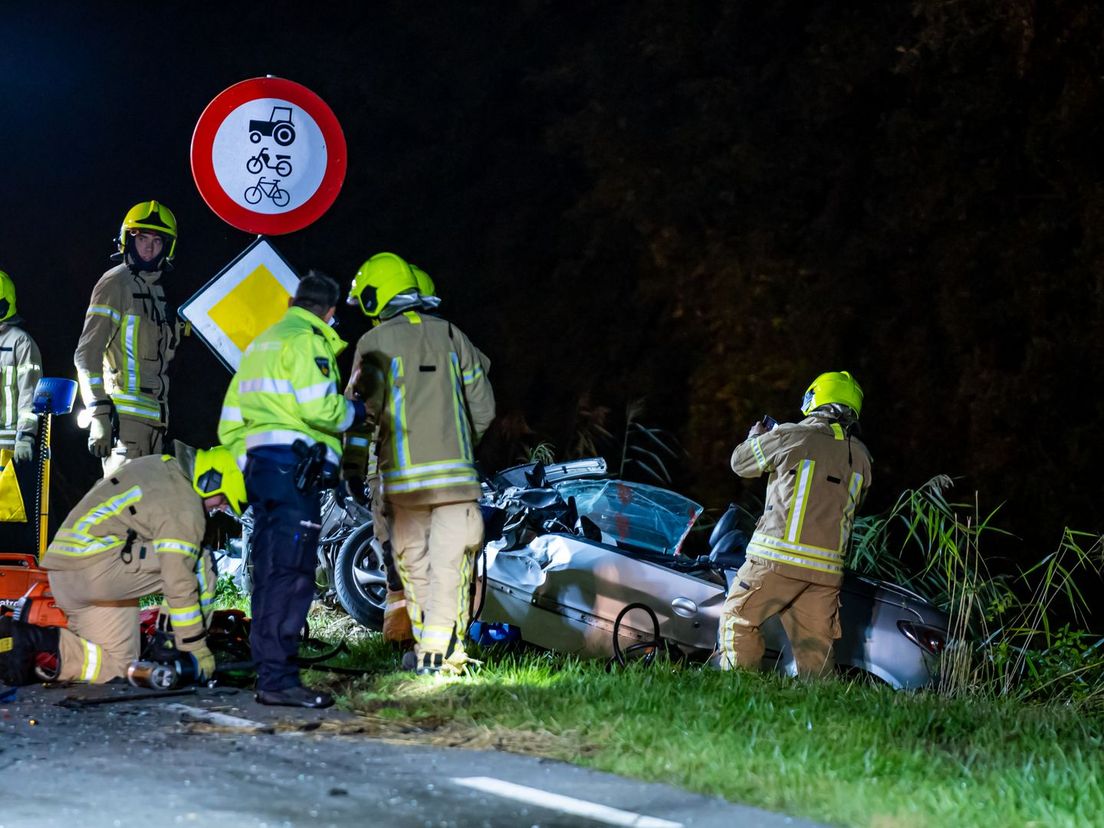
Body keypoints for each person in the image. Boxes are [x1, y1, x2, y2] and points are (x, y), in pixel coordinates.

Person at [218, 271, 368, 708]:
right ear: (331, 312)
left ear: (291, 302)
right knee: (294, 573)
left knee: (268, 570)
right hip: (294, 471)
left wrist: (254, 465)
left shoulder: (260, 346)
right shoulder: (308, 341)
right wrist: (356, 410)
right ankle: (281, 682)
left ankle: (269, 673)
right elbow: (319, 408)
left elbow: (229, 423)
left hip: (263, 472)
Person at [345, 252, 495, 675]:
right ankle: (448, 655)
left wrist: (354, 468)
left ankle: (429, 656)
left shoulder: (374, 344)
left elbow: (358, 416)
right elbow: (482, 408)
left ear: (376, 297)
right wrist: (460, 448)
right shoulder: (451, 335)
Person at [0, 444, 243, 687]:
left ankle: (28, 639)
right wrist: (196, 647)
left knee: (120, 669)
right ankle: (170, 649)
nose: (221, 508)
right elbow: (178, 579)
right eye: (223, 499)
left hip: (69, 573)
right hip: (95, 567)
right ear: (211, 480)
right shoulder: (185, 503)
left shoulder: (160, 465)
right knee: (200, 562)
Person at [718, 371, 872, 678]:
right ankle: (820, 715)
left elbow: (741, 463)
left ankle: (736, 695)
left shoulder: (791, 435)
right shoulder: (863, 457)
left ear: (815, 399)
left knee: (737, 620)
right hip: (826, 573)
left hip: (775, 560)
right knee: (816, 655)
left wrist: (756, 437)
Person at [75, 201, 183, 476]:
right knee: (127, 514)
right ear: (127, 241)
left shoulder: (157, 293)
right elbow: (86, 355)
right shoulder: (115, 283)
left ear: (167, 247)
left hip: (156, 426)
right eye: (142, 238)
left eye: (157, 240)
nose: (148, 247)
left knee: (149, 514)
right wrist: (99, 414)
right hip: (124, 426)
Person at [0, 271, 43, 547]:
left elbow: (30, 392)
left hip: (8, 449)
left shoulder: (20, 341)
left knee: (7, 519)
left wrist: (25, 435)